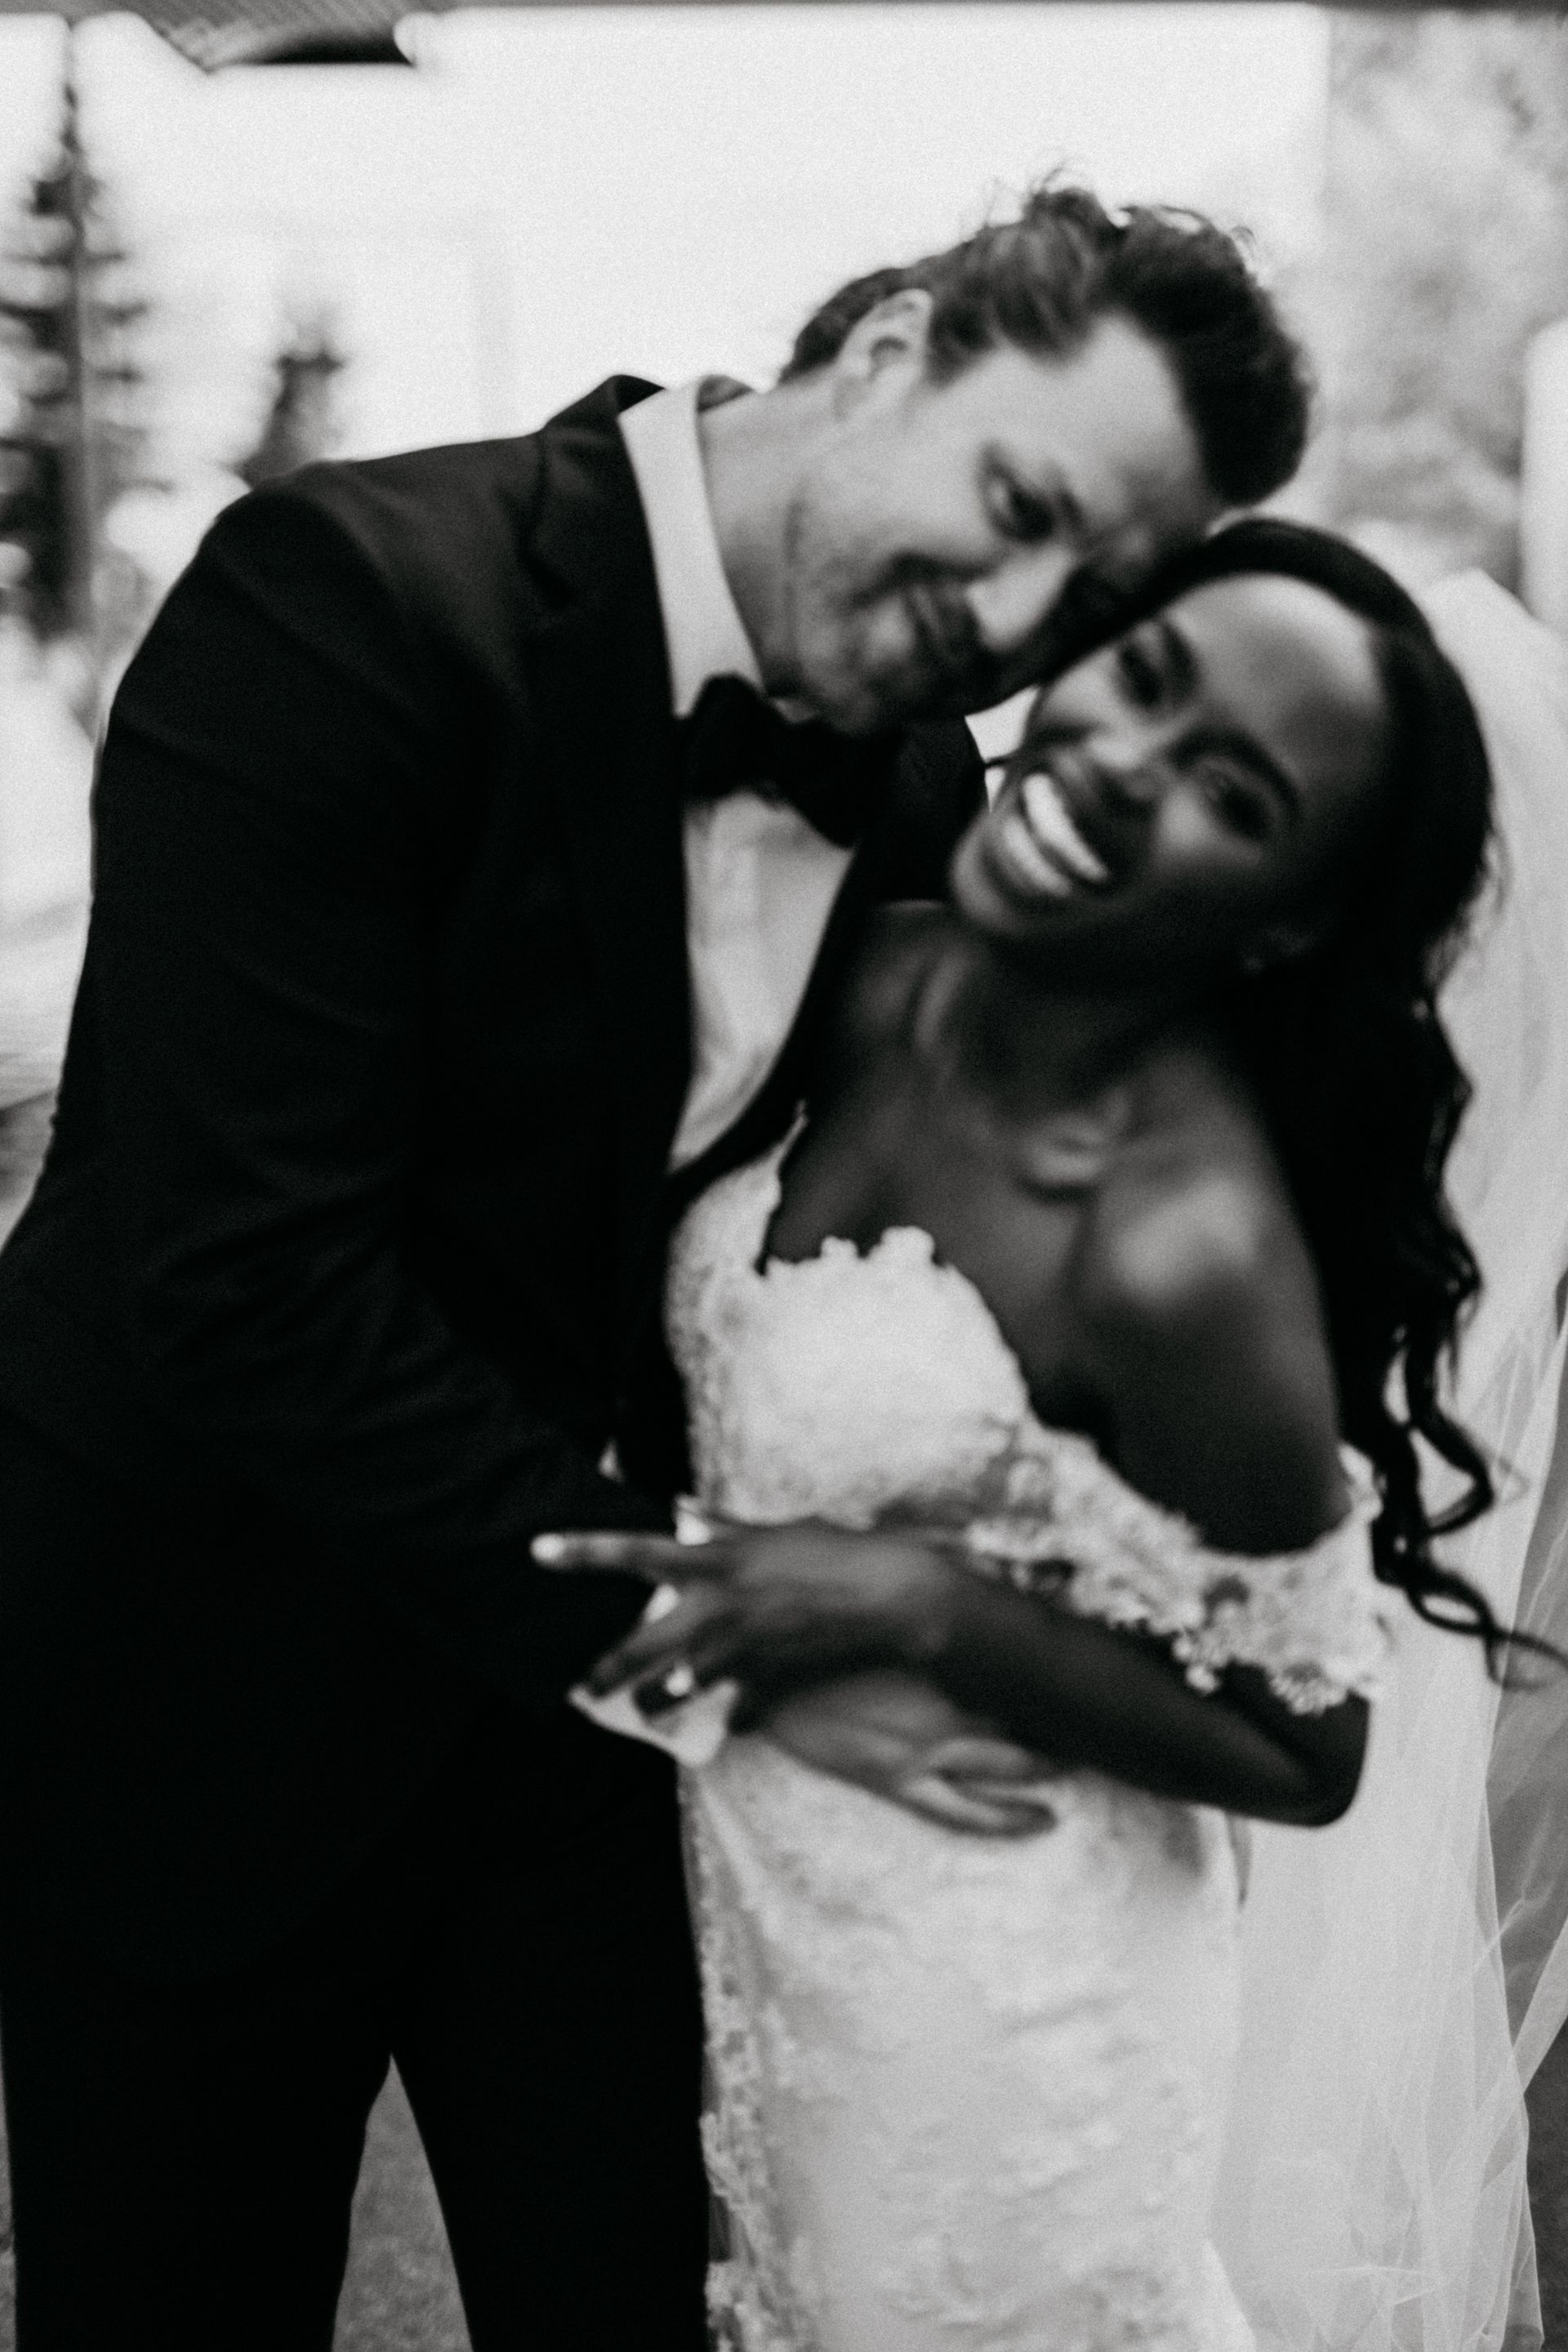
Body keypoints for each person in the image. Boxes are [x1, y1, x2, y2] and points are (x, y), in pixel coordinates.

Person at [0, 189, 1309, 2350]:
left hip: (580, 1786)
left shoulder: (907, 778)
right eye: (1017, 503)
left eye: (1091, 592)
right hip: (196, 1688)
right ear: (892, 347)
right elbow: (250, 1287)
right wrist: (749, 1641)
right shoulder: (348, 599)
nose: (1016, 612)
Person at [550, 519, 1514, 2350]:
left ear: (1290, 914)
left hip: (997, 1994)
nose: (1122, 768)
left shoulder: (1177, 1243)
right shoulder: (863, 966)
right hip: (767, 1904)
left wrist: (922, 1607)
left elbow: (1308, 1749)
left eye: (1230, 791)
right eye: (1143, 678)